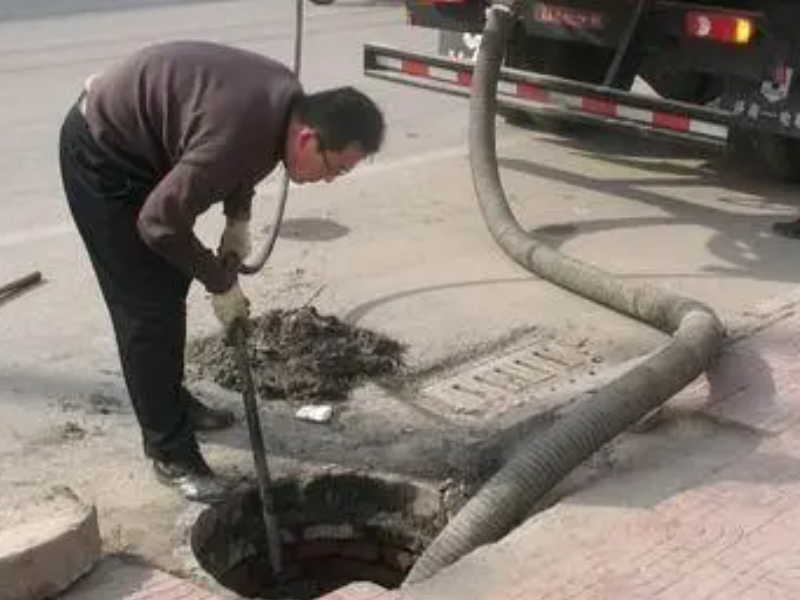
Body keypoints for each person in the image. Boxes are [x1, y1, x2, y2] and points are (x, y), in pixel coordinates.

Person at [58, 40, 385, 502]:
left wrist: (238, 221)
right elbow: (159, 222)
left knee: (170, 280)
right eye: (336, 169)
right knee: (146, 309)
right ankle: (169, 450)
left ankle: (172, 402)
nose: (330, 179)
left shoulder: (284, 107)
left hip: (150, 149)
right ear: (309, 139)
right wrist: (220, 281)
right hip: (102, 155)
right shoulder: (241, 133)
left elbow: (244, 160)